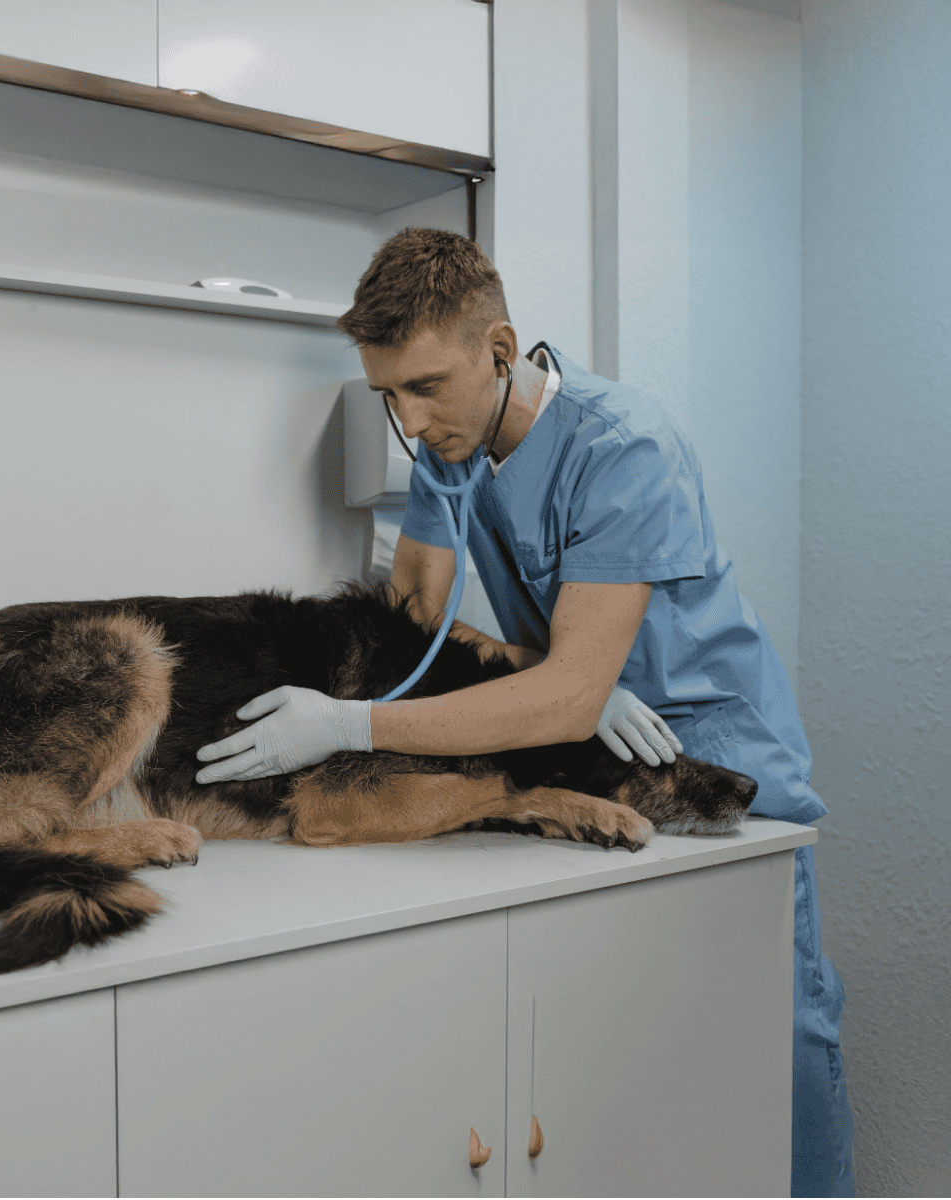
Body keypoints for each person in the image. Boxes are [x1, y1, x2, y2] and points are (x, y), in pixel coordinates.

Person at [195, 228, 855, 1196]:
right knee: (653, 1054)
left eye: (425, 387)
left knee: (775, 1036)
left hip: (714, 757)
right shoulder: (449, 450)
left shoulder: (624, 448)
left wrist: (348, 726)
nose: (409, 420)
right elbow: (415, 617)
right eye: (388, 394)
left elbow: (570, 696)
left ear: (499, 352)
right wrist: (542, 668)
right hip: (587, 752)